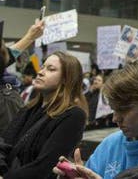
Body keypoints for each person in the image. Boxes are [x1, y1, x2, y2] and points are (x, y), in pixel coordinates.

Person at [0, 51, 87, 179]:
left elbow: (45, 166)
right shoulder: (28, 109)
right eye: (42, 67)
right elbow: (3, 145)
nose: (40, 72)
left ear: (65, 79)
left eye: (51, 69)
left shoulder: (73, 115)